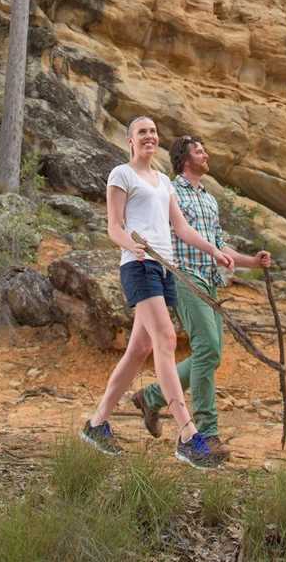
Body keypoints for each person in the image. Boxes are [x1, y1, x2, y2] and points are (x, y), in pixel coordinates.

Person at [80, 117, 234, 469]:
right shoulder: (122, 174)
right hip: (138, 266)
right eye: (142, 132)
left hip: (164, 269)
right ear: (130, 140)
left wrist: (214, 251)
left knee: (140, 349)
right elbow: (114, 227)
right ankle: (188, 436)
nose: (149, 136)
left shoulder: (163, 181)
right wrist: (130, 247)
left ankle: (96, 424)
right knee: (165, 338)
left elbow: (181, 228)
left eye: (153, 132)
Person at [131, 135, 272, 462]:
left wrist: (251, 261)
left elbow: (219, 244)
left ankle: (151, 396)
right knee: (207, 348)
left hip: (209, 282)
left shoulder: (209, 200)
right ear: (184, 158)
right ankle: (205, 433)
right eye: (199, 151)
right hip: (182, 277)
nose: (206, 154)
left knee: (212, 355)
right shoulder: (169, 191)